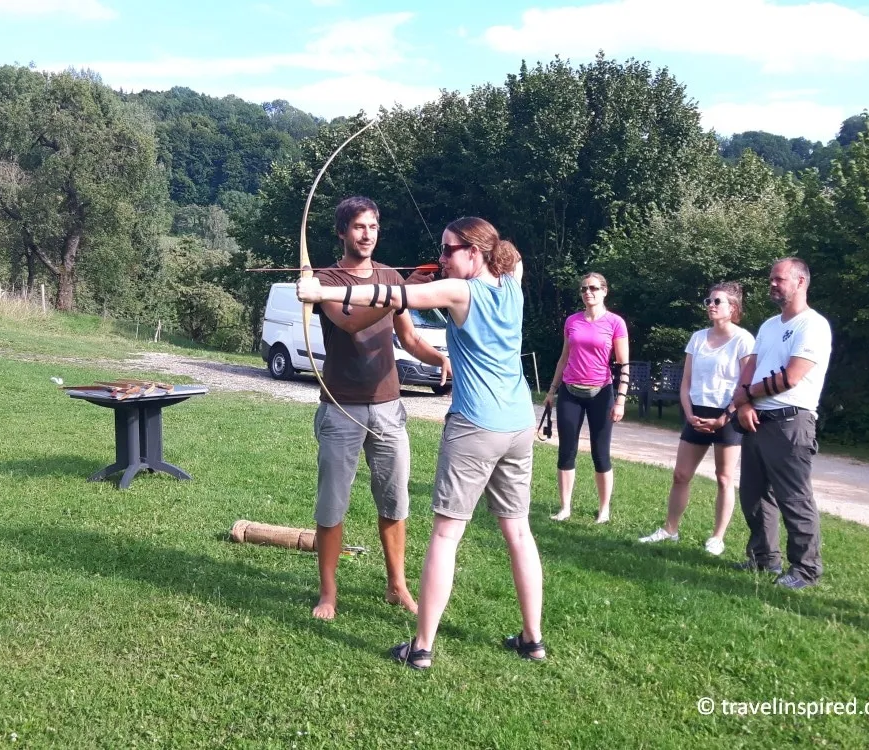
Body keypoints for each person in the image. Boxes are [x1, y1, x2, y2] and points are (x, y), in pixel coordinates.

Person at [298, 216, 545, 670]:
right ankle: (533, 640)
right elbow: (514, 257)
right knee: (519, 532)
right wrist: (492, 252)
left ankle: (423, 647)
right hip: (517, 424)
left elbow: (390, 296)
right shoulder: (513, 284)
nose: (442, 256)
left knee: (446, 535)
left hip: (476, 426)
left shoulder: (460, 291)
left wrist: (322, 292)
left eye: (450, 249)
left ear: (475, 253)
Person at [307, 196, 451, 620]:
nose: (366, 234)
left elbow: (407, 338)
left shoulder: (389, 276)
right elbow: (349, 322)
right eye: (358, 227)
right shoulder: (325, 279)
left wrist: (437, 358)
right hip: (340, 409)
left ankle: (396, 586)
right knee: (332, 504)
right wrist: (395, 295)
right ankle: (329, 594)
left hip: (389, 408)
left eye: (372, 226)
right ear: (342, 232)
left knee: (394, 501)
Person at [727, 257, 832, 589]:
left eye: (779, 279)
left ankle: (805, 570)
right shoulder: (769, 326)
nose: (772, 283)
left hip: (791, 421)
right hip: (758, 418)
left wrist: (746, 397)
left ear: (800, 282)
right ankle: (764, 559)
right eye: (771, 278)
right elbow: (752, 367)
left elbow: (791, 377)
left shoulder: (813, 325)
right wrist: (743, 404)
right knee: (754, 496)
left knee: (794, 499)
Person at [638, 282, 755, 556]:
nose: (711, 306)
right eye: (709, 302)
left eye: (717, 302)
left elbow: (745, 385)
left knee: (724, 477)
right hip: (697, 413)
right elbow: (686, 382)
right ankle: (670, 529)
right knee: (681, 475)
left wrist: (724, 418)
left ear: (733, 308)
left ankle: (717, 537)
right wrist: (689, 413)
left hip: (728, 414)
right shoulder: (698, 338)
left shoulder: (743, 340)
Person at [544, 273, 630, 522]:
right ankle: (565, 507)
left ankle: (603, 510)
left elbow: (623, 363)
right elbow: (563, 358)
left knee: (600, 452)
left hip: (601, 393)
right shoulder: (572, 321)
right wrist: (551, 390)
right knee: (566, 451)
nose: (588, 292)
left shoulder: (615, 323)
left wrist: (621, 399)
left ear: (604, 291)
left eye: (593, 288)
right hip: (570, 391)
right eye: (583, 289)